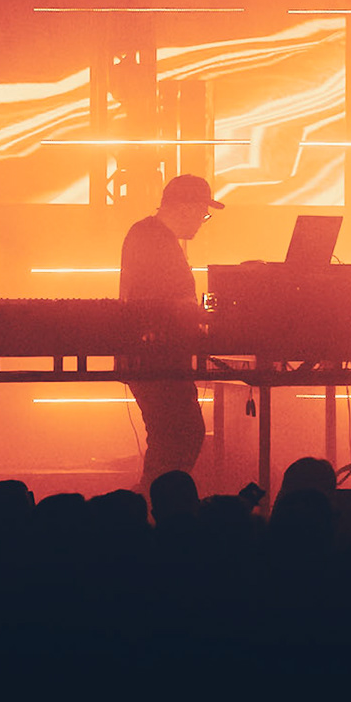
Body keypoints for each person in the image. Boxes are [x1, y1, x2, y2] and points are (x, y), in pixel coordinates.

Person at [120, 174, 224, 490]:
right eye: (203, 213)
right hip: (156, 358)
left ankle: (148, 510)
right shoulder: (153, 238)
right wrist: (208, 318)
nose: (203, 222)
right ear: (185, 207)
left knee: (173, 438)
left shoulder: (151, 235)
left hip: (155, 356)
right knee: (180, 436)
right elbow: (164, 303)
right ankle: (149, 511)